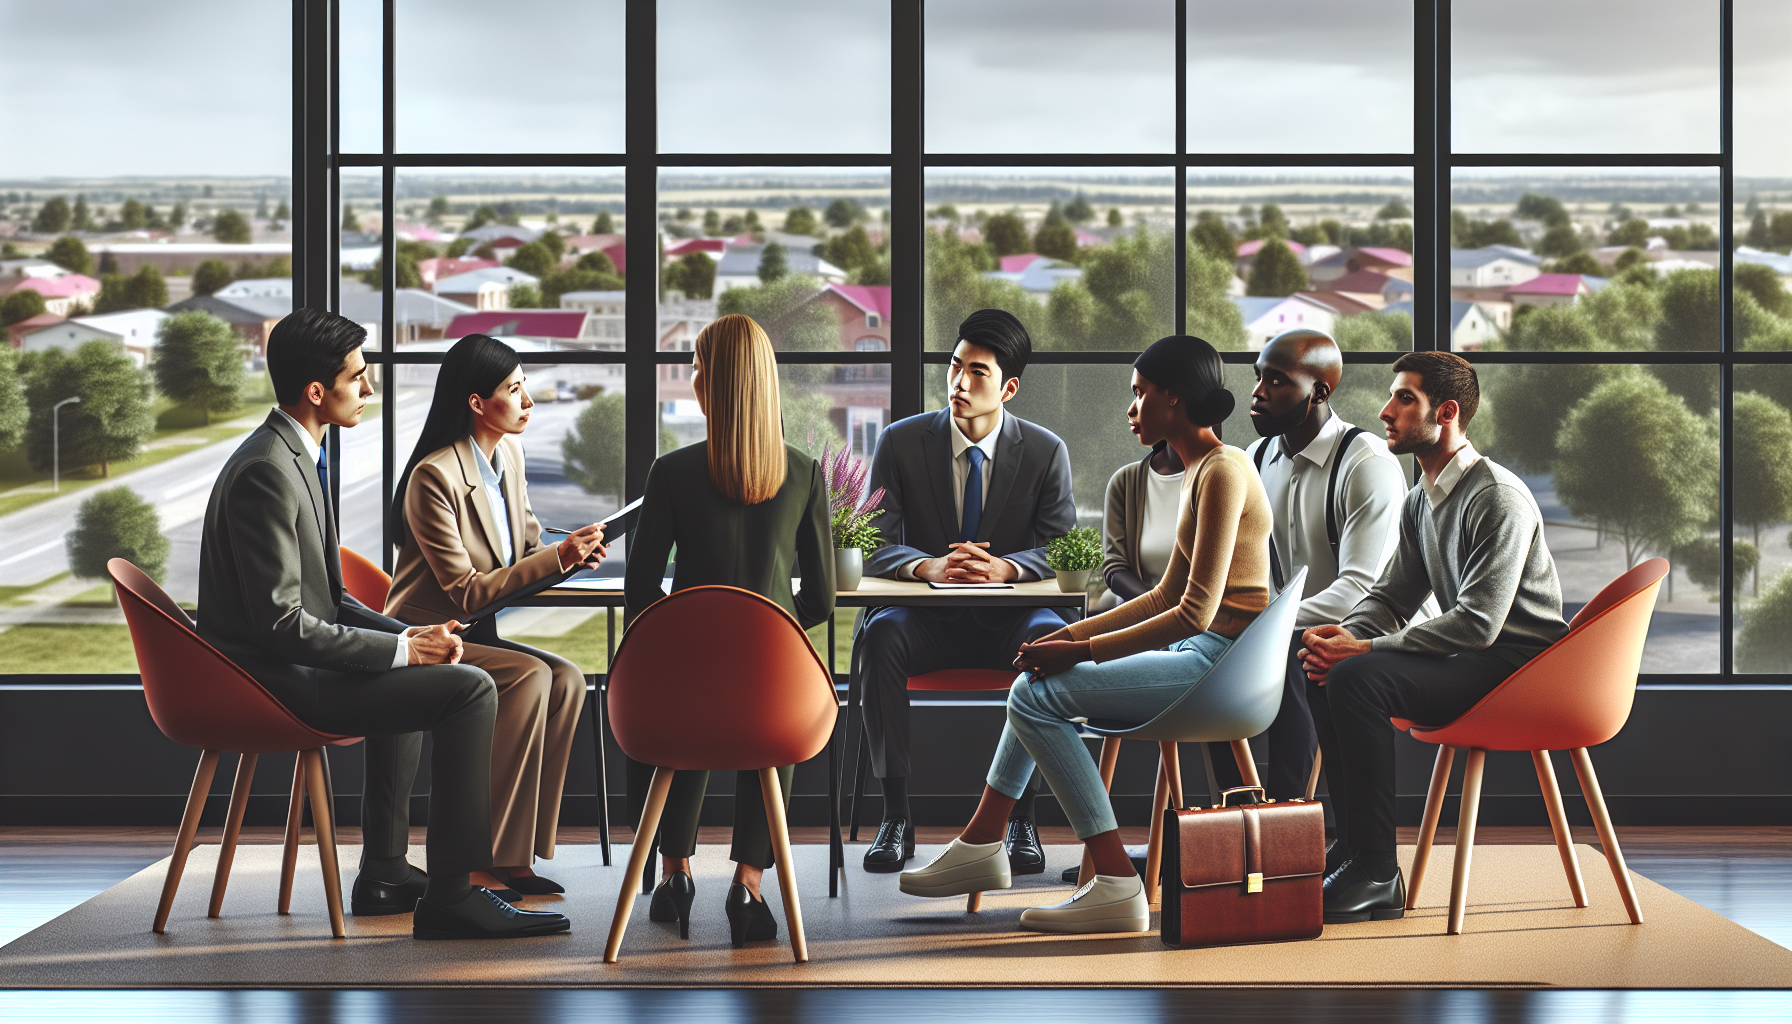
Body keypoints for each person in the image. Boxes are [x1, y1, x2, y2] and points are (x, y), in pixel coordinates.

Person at [196, 307, 568, 940]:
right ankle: (453, 896)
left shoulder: (293, 455)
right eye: (357, 377)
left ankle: (386, 872)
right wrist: (402, 653)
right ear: (318, 392)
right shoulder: (268, 471)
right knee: (470, 688)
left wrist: (406, 638)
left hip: (294, 665)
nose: (369, 388)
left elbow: (333, 598)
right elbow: (281, 625)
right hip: (276, 681)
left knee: (434, 665)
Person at [899, 334, 1271, 934]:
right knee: (1034, 682)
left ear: (1173, 399)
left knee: (1036, 695)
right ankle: (983, 843)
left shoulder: (1224, 471)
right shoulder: (1202, 470)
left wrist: (1079, 648)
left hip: (1221, 667)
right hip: (1205, 655)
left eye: (1140, 394)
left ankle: (1113, 882)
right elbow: (1162, 596)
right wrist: (1068, 638)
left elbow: (1194, 613)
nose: (1130, 408)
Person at [1299, 351, 1569, 924]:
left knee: (1358, 677)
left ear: (1446, 413)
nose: (1385, 411)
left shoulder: (1496, 496)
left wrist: (1363, 650)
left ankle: (1377, 874)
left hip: (1523, 669)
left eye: (1405, 399)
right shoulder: (1421, 498)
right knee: (1325, 669)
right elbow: (1392, 596)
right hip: (1477, 658)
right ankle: (1354, 849)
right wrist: (1344, 634)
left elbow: (1478, 623)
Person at [623, 313, 835, 949]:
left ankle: (675, 874)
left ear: (710, 384)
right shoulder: (805, 473)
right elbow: (821, 599)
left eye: (695, 367)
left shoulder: (671, 472)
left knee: (687, 704)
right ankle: (749, 885)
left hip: (688, 690)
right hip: (774, 698)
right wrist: (769, 636)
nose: (690, 378)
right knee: (768, 706)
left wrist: (691, 637)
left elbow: (640, 591)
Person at [852, 308, 1076, 875]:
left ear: (1009, 388)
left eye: (978, 372)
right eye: (956, 366)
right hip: (926, 624)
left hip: (1009, 626)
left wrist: (1008, 569)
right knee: (880, 636)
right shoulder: (901, 442)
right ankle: (895, 816)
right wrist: (926, 565)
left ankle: (1022, 817)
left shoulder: (1046, 450)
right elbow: (871, 543)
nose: (959, 382)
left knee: (1050, 636)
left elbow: (1063, 549)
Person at [384, 334, 608, 901]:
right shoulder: (433, 477)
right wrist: (556, 558)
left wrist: (569, 554)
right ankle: (475, 860)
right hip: (426, 638)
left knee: (566, 678)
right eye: (514, 389)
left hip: (476, 633)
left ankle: (513, 854)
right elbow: (465, 592)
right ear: (477, 402)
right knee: (529, 676)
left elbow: (526, 547)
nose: (528, 401)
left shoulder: (508, 456)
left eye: (525, 386)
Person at [1206, 329, 1408, 802]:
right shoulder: (1254, 459)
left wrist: (1265, 623)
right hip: (1290, 625)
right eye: (1258, 377)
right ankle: (1240, 813)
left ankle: (1285, 819)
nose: (1258, 393)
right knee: (1208, 656)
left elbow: (1361, 589)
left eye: (1277, 381)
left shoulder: (1367, 463)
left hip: (1375, 630)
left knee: (1292, 652)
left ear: (1320, 392)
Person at [1094, 440, 1186, 614]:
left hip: (1205, 619)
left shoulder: (1223, 476)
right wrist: (1160, 609)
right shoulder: (1126, 480)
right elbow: (1114, 566)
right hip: (1141, 612)